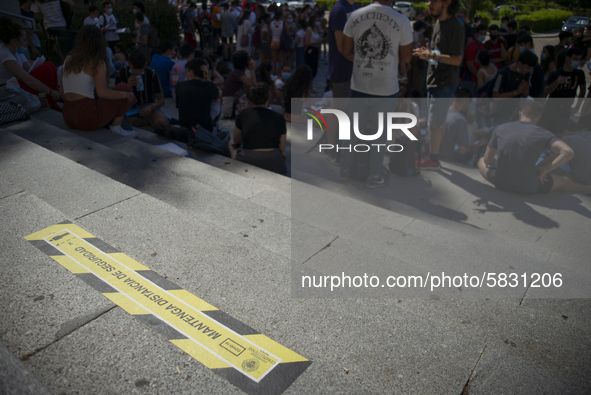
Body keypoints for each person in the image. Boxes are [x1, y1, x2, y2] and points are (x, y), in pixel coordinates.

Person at [340, 0, 413, 188]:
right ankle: (374, 176)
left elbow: (345, 50)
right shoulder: (402, 20)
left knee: (353, 131)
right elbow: (406, 57)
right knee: (379, 135)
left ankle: (345, 170)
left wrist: (362, 62)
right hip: (386, 87)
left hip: (359, 84)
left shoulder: (355, 15)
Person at [478, 101, 591, 195]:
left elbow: (488, 160)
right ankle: (587, 190)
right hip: (529, 186)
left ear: (520, 113)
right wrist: (545, 170)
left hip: (500, 181)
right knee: (565, 182)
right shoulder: (544, 134)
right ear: (538, 118)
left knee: (481, 161)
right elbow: (568, 152)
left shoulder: (501, 128)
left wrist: (499, 162)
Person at [412, 0, 464, 170]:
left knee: (435, 121)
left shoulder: (456, 26)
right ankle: (432, 153)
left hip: (444, 82)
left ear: (447, 2)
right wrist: (429, 55)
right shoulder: (439, 23)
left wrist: (433, 55)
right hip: (434, 79)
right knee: (437, 120)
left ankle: (433, 159)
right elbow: (439, 54)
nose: (429, 4)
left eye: (434, 1)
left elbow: (456, 59)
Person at [60, 25, 136, 136]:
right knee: (124, 88)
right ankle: (116, 127)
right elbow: (103, 93)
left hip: (68, 116)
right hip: (87, 118)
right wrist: (126, 94)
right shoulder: (97, 62)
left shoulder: (68, 58)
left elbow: (62, 92)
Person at [0, 16, 59, 106]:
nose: (26, 43)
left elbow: (29, 69)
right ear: (15, 42)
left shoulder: (17, 52)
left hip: (17, 85)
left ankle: (52, 98)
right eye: (24, 40)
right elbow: (28, 79)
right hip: (9, 88)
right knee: (46, 69)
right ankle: (52, 98)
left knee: (49, 66)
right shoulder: (4, 53)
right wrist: (51, 92)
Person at [233, 82, 287, 175]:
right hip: (274, 161)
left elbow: (236, 141)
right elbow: (281, 148)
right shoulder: (279, 117)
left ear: (249, 101)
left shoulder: (243, 115)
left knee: (231, 145)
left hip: (247, 159)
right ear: (267, 100)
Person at [115, 49, 168, 129]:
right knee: (121, 122)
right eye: (134, 70)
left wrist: (152, 106)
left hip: (148, 106)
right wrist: (127, 87)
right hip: (130, 109)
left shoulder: (151, 74)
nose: (138, 73)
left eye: (141, 70)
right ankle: (147, 121)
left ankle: (150, 120)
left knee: (161, 122)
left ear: (145, 64)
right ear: (128, 63)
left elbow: (161, 100)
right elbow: (117, 99)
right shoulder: (121, 73)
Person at [540, 48, 586, 133]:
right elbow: (547, 90)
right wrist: (557, 82)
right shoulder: (556, 74)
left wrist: (577, 107)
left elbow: (582, 90)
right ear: (568, 59)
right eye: (575, 59)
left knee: (561, 131)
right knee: (547, 130)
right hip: (552, 108)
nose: (577, 62)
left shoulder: (579, 74)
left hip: (566, 108)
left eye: (579, 59)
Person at [491, 50, 538, 124]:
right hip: (501, 115)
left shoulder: (525, 74)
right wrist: (516, 92)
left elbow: (524, 94)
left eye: (530, 69)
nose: (528, 70)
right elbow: (495, 96)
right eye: (527, 67)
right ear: (519, 63)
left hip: (515, 114)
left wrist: (525, 92)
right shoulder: (504, 73)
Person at [176, 58, 219, 132]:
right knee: (219, 100)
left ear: (191, 72)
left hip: (184, 127)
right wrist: (207, 78)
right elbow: (217, 95)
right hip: (204, 129)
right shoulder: (210, 87)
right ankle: (215, 125)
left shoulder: (180, 86)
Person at [437, 89, 476, 164]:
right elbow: (463, 150)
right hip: (447, 157)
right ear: (467, 104)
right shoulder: (460, 120)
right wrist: (473, 147)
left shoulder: (440, 112)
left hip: (433, 152)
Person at [221, 50, 256, 118]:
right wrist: (251, 69)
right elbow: (254, 85)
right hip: (230, 107)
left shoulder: (236, 72)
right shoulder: (238, 74)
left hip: (229, 105)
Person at [304, 14, 323, 80]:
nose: (318, 22)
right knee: (310, 68)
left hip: (315, 49)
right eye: (316, 20)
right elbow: (306, 42)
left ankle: (311, 85)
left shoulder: (316, 29)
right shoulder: (309, 29)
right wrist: (317, 42)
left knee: (314, 69)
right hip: (310, 50)